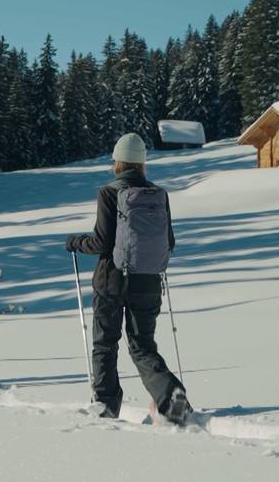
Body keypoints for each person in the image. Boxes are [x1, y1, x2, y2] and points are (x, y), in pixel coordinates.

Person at [65, 132, 192, 424]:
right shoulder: (158, 194)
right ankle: (170, 394)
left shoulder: (109, 193)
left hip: (111, 281)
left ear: (118, 162)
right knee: (142, 345)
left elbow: (100, 243)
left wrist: (75, 242)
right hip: (147, 280)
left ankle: (106, 405)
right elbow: (169, 242)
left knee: (105, 343)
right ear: (142, 164)